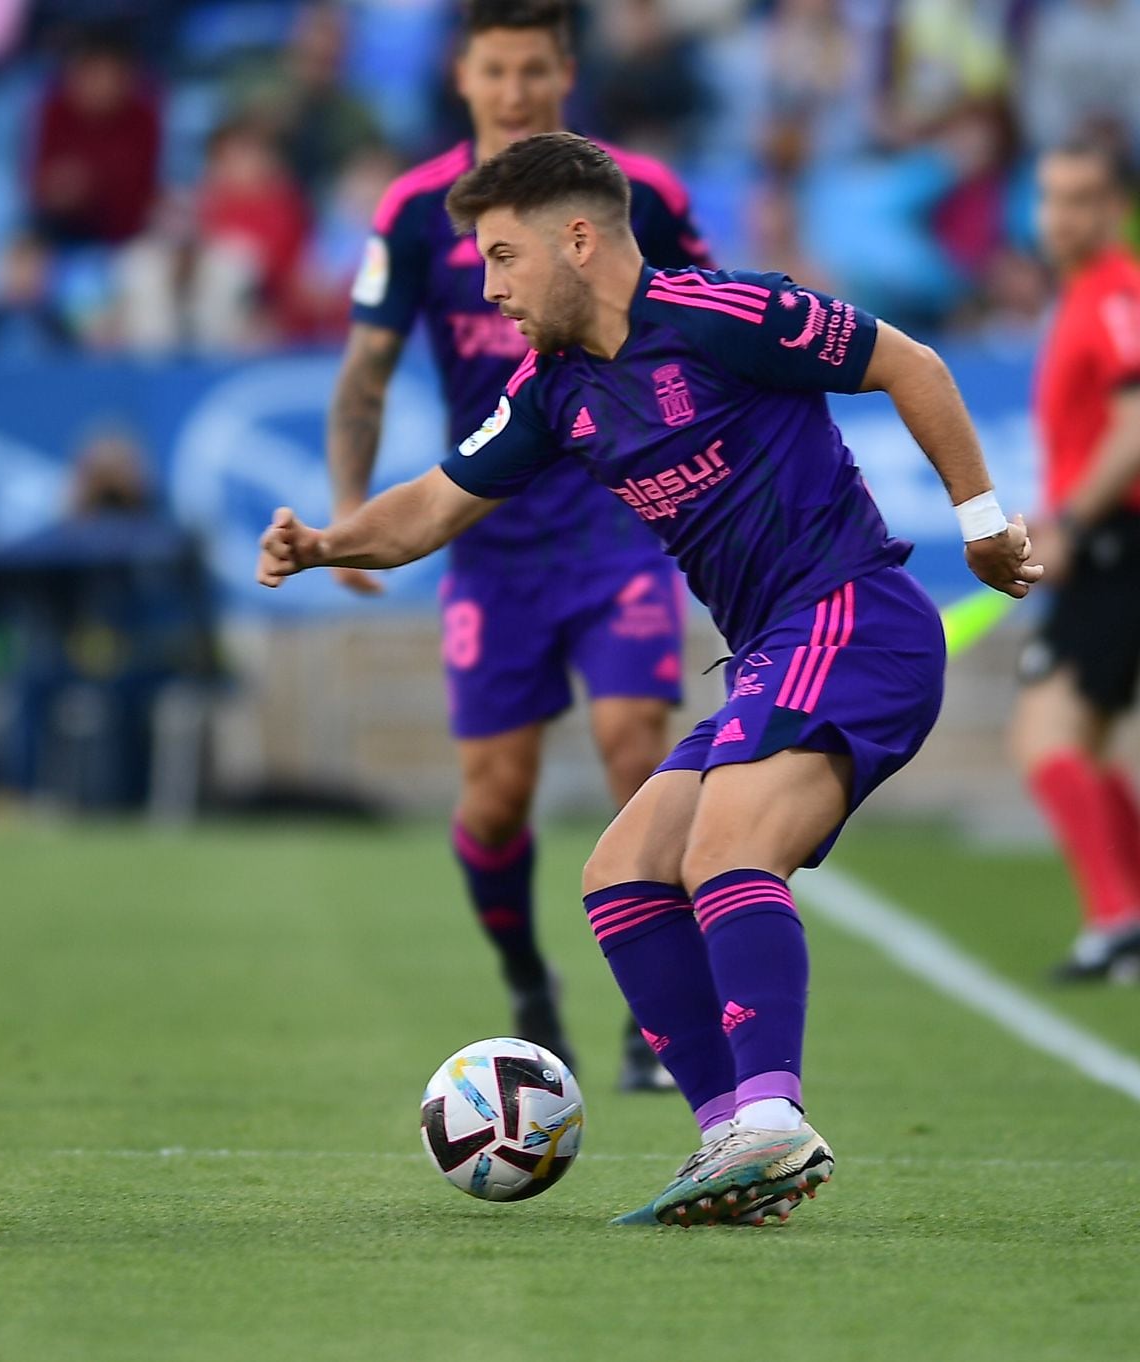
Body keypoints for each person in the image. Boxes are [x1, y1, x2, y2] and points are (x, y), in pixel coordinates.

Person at [259, 132, 1037, 1226]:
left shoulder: (724, 316)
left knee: (725, 843)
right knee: (621, 874)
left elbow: (911, 363)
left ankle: (773, 1116)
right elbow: (430, 507)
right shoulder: (550, 390)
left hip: (853, 617)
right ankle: (733, 1140)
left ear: (576, 239)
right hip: (774, 646)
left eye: (500, 258)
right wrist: (325, 544)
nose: (487, 291)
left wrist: (983, 527)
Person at [328, 0, 709, 1090]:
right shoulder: (412, 212)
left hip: (617, 516)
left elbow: (704, 317)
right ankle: (528, 984)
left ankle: (654, 1010)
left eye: (531, 71)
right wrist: (351, 516)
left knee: (639, 743)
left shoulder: (643, 195)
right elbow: (363, 375)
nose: (512, 93)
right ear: (461, 75)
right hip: (489, 538)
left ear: (564, 73)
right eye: (493, 71)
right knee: (495, 796)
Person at [1010, 140, 1140, 981]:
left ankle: (1116, 918)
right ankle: (1126, 918)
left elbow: (1136, 427)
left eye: (1082, 197)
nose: (1063, 216)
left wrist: (1066, 524)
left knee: (1045, 733)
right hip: (1105, 545)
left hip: (1116, 544)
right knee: (1077, 739)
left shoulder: (1115, 293)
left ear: (1116, 203)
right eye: (1051, 196)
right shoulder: (1085, 295)